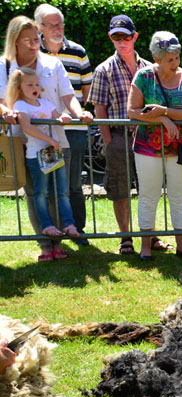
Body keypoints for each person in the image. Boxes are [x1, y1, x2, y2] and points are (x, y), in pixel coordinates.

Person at [0, 15, 92, 261]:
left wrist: (78, 112)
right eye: (28, 39)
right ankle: (45, 244)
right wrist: (6, 111)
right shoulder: (4, 65)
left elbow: (67, 95)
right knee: (35, 192)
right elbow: (1, 99)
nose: (33, 43)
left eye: (35, 38)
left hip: (57, 139)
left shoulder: (52, 63)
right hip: (22, 140)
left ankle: (59, 241)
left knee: (58, 190)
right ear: (15, 41)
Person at [127, 31, 182, 261]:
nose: (176, 63)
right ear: (157, 58)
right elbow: (132, 112)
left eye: (177, 57)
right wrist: (161, 119)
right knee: (149, 196)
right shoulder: (144, 77)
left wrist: (165, 111)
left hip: (180, 147)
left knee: (179, 196)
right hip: (148, 147)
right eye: (170, 59)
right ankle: (145, 248)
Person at [88, 14, 151, 256]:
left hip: (147, 136)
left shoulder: (148, 67)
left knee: (149, 188)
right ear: (110, 38)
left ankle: (150, 235)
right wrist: (108, 140)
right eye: (116, 37)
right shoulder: (103, 69)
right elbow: (99, 108)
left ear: (135, 37)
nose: (121, 41)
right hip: (118, 136)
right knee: (120, 189)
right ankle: (126, 237)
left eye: (126, 36)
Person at [35, 3, 92, 245]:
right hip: (44, 131)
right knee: (47, 182)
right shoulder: (31, 52)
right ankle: (55, 233)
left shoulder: (78, 51)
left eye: (61, 24)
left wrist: (75, 112)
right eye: (53, 24)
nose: (59, 28)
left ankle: (77, 230)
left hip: (75, 130)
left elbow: (85, 91)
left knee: (75, 184)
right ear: (40, 27)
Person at [9, 67, 78, 249]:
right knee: (41, 193)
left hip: (54, 153)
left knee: (62, 191)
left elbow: (58, 114)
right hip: (36, 156)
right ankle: (46, 226)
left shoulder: (46, 103)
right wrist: (50, 140)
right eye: (30, 84)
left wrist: (64, 117)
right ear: (19, 87)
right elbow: (27, 127)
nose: (35, 87)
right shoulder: (20, 105)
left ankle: (68, 224)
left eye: (37, 84)